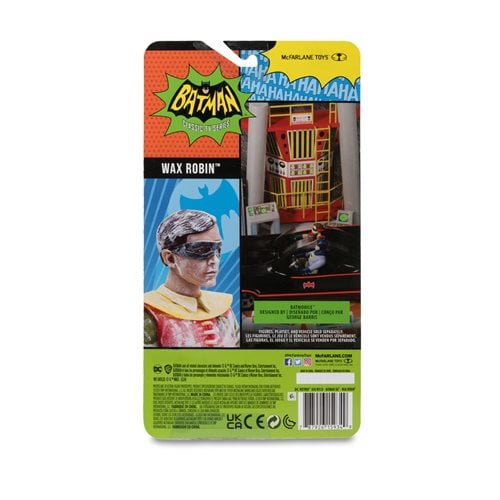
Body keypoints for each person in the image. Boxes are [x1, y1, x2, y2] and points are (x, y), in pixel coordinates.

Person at [144, 209, 239, 348]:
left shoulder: (223, 309)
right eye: (201, 250)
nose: (214, 260)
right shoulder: (149, 311)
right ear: (170, 258)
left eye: (218, 249)